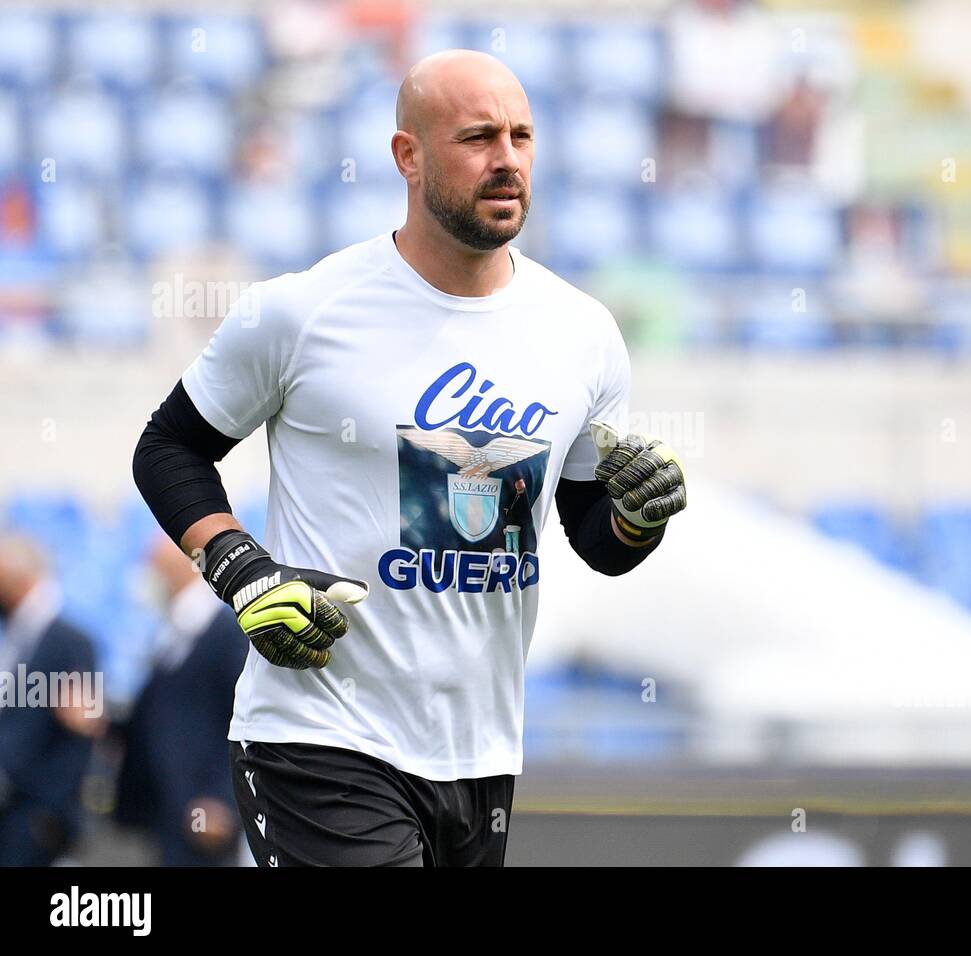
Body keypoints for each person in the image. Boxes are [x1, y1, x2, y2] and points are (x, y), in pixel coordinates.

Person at [132, 50, 687, 867]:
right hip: (319, 738)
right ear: (407, 155)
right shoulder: (303, 312)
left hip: (480, 754)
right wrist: (241, 570)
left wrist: (638, 519)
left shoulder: (584, 333)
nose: (507, 159)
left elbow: (593, 537)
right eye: (477, 137)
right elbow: (170, 446)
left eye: (522, 136)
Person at [113, 538, 246, 866]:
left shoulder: (226, 633)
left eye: (156, 568)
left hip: (204, 810)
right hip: (168, 805)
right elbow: (156, 715)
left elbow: (244, 719)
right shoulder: (172, 633)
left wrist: (223, 799)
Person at [0, 533, 101, 866]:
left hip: (35, 816)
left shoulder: (69, 642)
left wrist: (51, 815)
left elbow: (83, 730)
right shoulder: (19, 634)